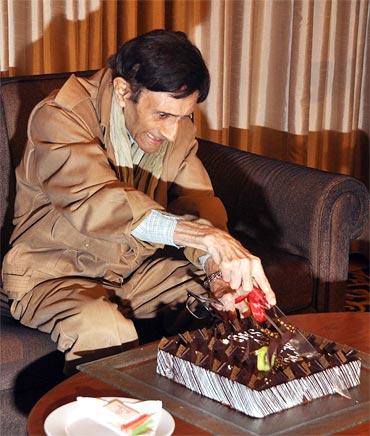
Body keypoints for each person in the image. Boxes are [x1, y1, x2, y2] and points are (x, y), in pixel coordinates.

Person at [2, 29, 275, 369]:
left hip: (132, 274)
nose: (173, 132)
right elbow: (94, 201)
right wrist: (206, 239)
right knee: (103, 327)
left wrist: (216, 272)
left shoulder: (176, 129)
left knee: (227, 307)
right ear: (122, 90)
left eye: (183, 116)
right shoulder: (59, 116)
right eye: (162, 116)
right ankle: (120, 421)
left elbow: (198, 201)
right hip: (52, 275)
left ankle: (215, 415)